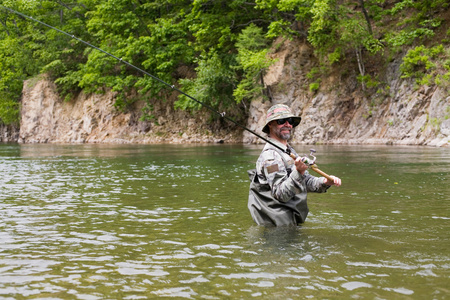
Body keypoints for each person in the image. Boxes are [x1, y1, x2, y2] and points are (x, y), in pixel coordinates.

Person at [248, 104, 341, 226]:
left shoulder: (288, 151)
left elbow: (305, 181)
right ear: (270, 124)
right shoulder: (270, 157)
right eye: (281, 121)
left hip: (289, 222)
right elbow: (281, 194)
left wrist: (325, 182)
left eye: (290, 121)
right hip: (277, 228)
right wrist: (299, 172)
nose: (287, 124)